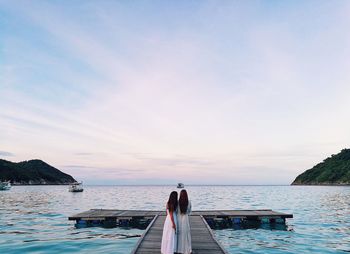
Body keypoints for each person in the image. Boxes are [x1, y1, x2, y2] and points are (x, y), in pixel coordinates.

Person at [176, 189, 192, 254]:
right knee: (186, 234)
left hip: (179, 218)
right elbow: (189, 211)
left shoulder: (177, 202)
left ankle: (178, 249)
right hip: (185, 219)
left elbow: (176, 211)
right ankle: (187, 249)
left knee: (179, 234)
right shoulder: (189, 202)